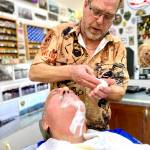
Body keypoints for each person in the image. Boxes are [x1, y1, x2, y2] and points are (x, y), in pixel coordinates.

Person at [29, 0, 129, 131]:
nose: (100, 21)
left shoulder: (117, 46)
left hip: (99, 131)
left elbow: (120, 91)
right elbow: (35, 72)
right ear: (86, 4)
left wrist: (107, 91)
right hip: (61, 131)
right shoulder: (59, 34)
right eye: (97, 12)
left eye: (108, 16)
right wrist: (71, 72)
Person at [37, 87, 150, 150]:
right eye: (54, 93)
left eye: (73, 92)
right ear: (45, 122)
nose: (66, 88)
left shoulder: (117, 136)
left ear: (85, 120)